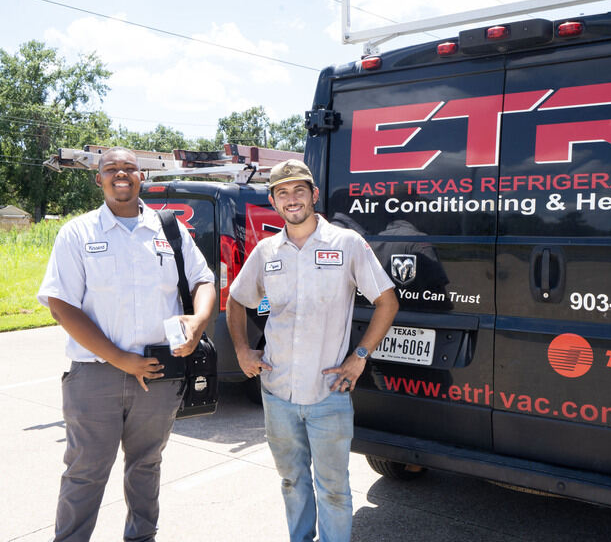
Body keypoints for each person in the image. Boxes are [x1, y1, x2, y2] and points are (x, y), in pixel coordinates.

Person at [37, 147, 215, 542]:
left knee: (146, 466)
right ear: (98, 178)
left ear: (141, 178)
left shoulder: (169, 229)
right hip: (95, 376)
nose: (121, 174)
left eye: (129, 168)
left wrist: (199, 321)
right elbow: (61, 306)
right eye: (111, 169)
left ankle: (141, 537)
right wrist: (121, 360)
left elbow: (204, 281)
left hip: (159, 375)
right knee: (85, 471)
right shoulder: (78, 232)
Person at [226, 159, 399, 542]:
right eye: (282, 192)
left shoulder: (346, 243)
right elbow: (236, 301)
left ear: (314, 195)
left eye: (299, 190)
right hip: (278, 393)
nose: (292, 199)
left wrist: (360, 357)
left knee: (335, 489)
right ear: (273, 200)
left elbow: (387, 301)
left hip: (329, 395)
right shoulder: (267, 251)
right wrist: (241, 350)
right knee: (291, 481)